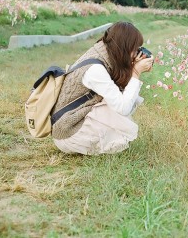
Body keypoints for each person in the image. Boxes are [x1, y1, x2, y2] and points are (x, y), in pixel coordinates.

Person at [51, 21, 154, 155]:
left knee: (117, 100)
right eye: (135, 48)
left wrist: (130, 69)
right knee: (117, 106)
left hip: (71, 124)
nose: (137, 53)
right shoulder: (96, 69)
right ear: (125, 47)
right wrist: (135, 73)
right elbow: (123, 108)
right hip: (68, 134)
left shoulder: (103, 51)